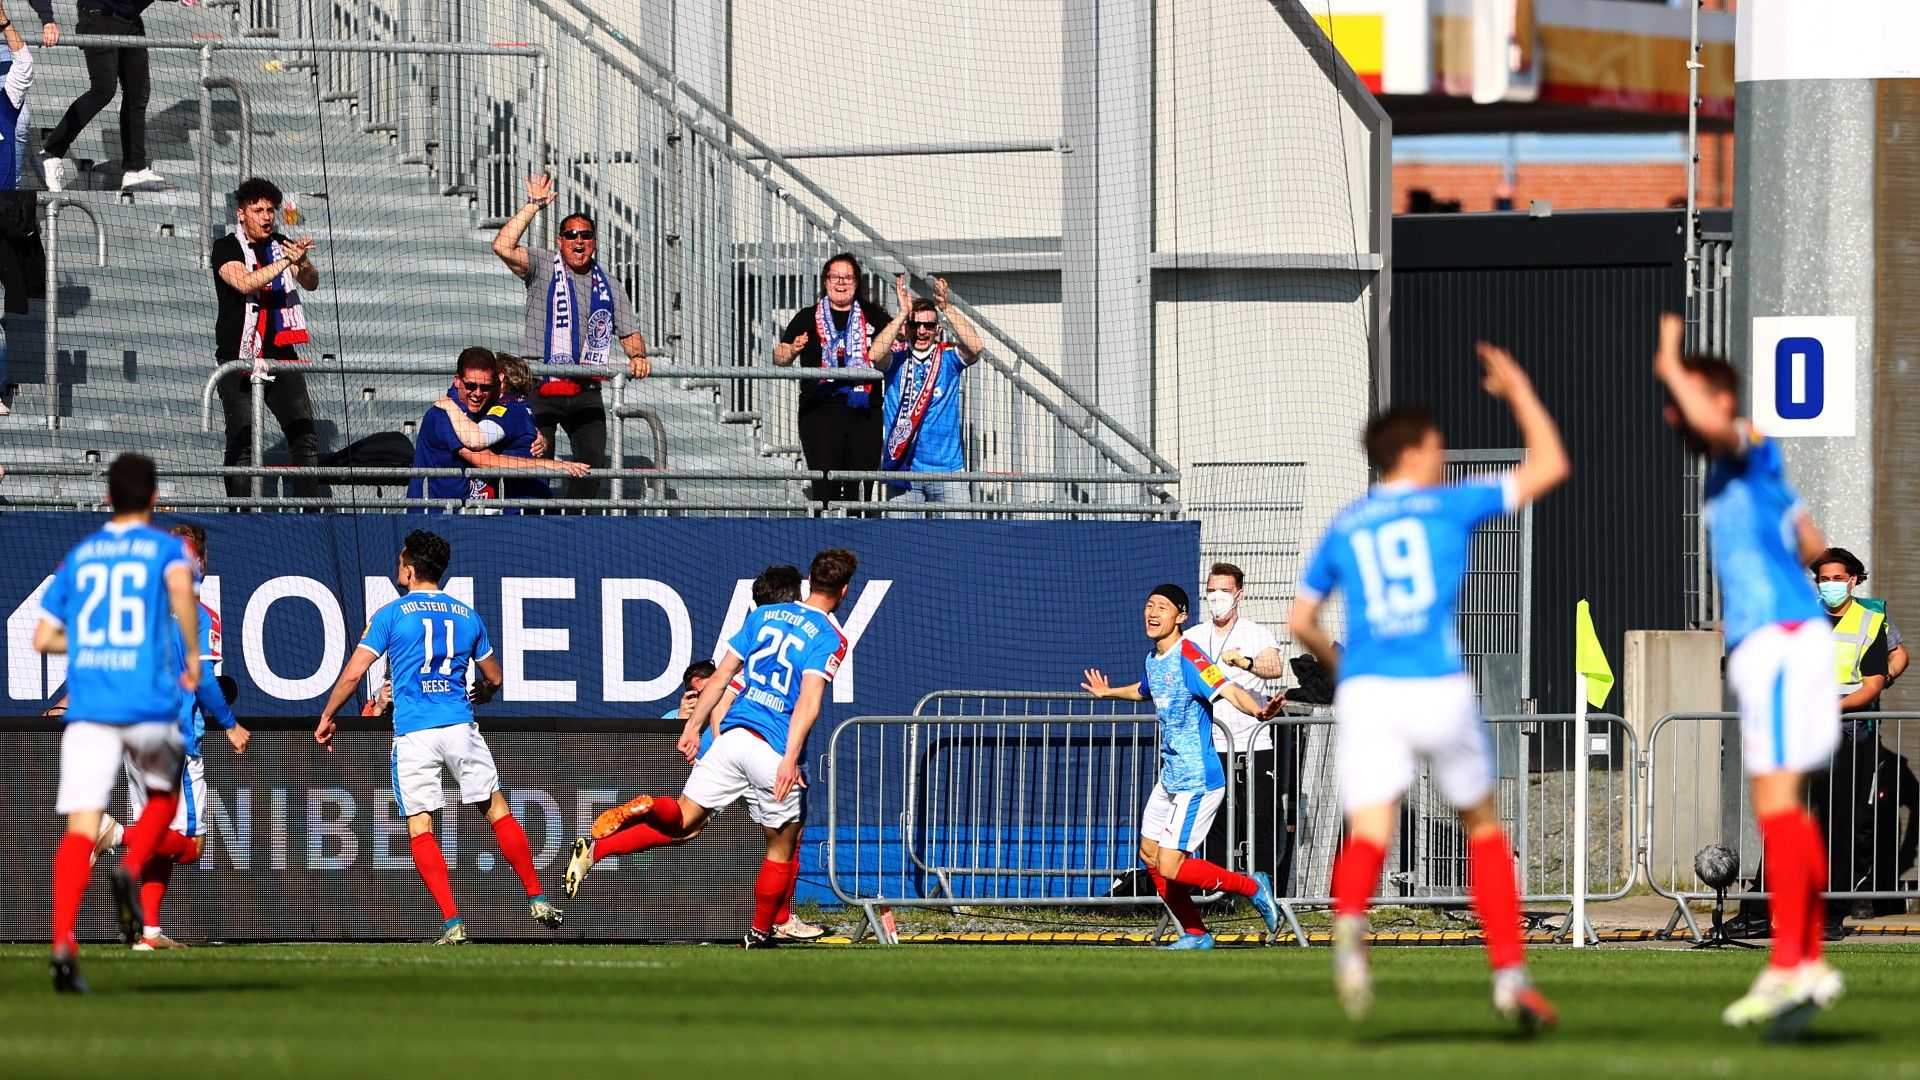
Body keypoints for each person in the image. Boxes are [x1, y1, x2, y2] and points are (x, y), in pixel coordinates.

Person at [1291, 342, 1567, 1029]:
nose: (1442, 454)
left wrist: (1341, 667)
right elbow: (1550, 465)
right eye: (1437, 444)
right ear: (1413, 452)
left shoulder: (1348, 522)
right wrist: (1519, 391)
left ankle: (1350, 930)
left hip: (1368, 690)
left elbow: (1301, 621)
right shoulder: (1446, 505)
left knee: (1371, 828)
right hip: (1435, 682)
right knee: (1482, 825)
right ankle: (1509, 976)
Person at [1652, 312, 1845, 1032]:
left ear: (1720, 401)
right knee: (1782, 808)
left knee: (1779, 804)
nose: (1672, 413)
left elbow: (1717, 425)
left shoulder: (1746, 440)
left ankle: (1798, 960)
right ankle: (1801, 962)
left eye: (1683, 399)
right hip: (1787, 638)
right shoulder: (1745, 472)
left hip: (1781, 639)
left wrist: (1669, 361)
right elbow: (1813, 541)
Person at [561, 548, 857, 948]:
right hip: (771, 749)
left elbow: (720, 678)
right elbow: (808, 701)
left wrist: (693, 727)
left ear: (809, 580)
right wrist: (790, 758)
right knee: (781, 848)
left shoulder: (765, 615)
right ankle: (760, 931)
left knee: (683, 822)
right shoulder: (831, 637)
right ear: (844, 590)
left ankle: (649, 807)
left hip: (731, 739)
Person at [313, 530, 563, 943]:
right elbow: (494, 678)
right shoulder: (467, 615)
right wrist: (484, 692)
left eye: (401, 562)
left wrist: (327, 715)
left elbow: (355, 673)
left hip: (415, 733)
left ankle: (452, 923)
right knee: (497, 811)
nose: (398, 568)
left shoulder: (391, 614)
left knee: (421, 826)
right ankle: (536, 896)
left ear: (410, 570)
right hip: (460, 726)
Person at [32, 453, 201, 992]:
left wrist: (90, 641)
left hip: (90, 708)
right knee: (164, 796)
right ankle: (129, 868)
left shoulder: (82, 555)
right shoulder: (165, 549)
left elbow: (43, 638)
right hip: (145, 701)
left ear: (107, 497)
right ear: (155, 498)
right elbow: (182, 593)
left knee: (81, 829)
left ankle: (64, 945)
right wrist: (191, 654)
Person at [1081, 584, 1280, 948]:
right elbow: (1144, 690)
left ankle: (1252, 886)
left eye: (1162, 607)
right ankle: (1196, 933)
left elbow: (1228, 688)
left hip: (1198, 780)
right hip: (1171, 778)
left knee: (1170, 865)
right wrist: (1108, 692)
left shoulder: (1190, 655)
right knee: (1149, 855)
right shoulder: (1153, 659)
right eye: (1149, 605)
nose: (1152, 613)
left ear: (1181, 616)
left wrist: (1257, 710)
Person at [118, 523, 251, 950]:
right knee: (192, 845)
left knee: (156, 836)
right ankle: (113, 835)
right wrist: (230, 724)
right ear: (199, 563)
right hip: (175, 739)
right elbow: (205, 680)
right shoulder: (199, 613)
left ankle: (149, 933)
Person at [491, 174, 650, 505]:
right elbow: (502, 246)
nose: (579, 240)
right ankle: (538, 524)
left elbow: (630, 333)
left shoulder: (609, 284)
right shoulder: (542, 265)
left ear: (594, 241)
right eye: (571, 235)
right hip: (538, 384)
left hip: (585, 388)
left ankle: (574, 525)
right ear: (560, 240)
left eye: (585, 235)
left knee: (592, 467)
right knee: (536, 462)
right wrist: (533, 205)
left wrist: (637, 356)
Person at [212, 177, 320, 499]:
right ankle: (241, 515)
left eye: (270, 210)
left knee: (304, 437)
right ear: (241, 213)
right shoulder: (226, 247)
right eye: (258, 210)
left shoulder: (281, 244)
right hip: (238, 358)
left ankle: (309, 514)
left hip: (282, 355)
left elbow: (311, 282)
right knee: (242, 442)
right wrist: (287, 261)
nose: (266, 216)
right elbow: (245, 283)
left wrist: (303, 262)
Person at [1181, 562, 1287, 883]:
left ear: (1239, 594)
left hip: (1252, 743)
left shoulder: (1255, 632)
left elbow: (1274, 667)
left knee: (1260, 817)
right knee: (1215, 823)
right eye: (1211, 591)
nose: (1217, 597)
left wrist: (1246, 663)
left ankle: (1263, 888)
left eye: (1224, 591)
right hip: (1210, 744)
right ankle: (1219, 891)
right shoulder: (1193, 636)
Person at [1807, 546, 1890, 914]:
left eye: (1837, 578)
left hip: (1848, 734)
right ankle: (1765, 907)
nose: (1830, 585)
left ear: (1853, 580)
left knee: (1841, 822)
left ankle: (1836, 906)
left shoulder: (1871, 621)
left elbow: (1875, 681)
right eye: (1823, 579)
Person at [773, 254, 890, 506]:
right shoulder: (807, 317)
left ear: (856, 282)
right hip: (819, 413)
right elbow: (779, 357)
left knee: (860, 489)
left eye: (847, 277)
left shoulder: (874, 317)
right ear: (825, 281)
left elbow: (889, 355)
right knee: (825, 488)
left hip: (864, 412)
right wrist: (793, 348)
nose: (841, 282)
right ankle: (825, 528)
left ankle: (857, 529)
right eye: (835, 277)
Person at [406, 347, 583, 512]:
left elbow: (515, 424)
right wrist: (552, 465)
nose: (477, 393)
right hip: (435, 513)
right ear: (457, 380)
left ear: (497, 381)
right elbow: (485, 461)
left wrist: (541, 439)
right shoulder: (445, 415)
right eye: (471, 386)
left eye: (485, 387)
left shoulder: (490, 408)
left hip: (470, 514)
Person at [869, 274, 983, 508]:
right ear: (907, 328)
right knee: (900, 533)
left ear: (937, 329)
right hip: (904, 469)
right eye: (915, 325)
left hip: (948, 471)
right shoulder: (896, 360)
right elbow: (874, 354)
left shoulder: (949, 358)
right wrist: (902, 314)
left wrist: (946, 307)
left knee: (960, 532)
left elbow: (976, 347)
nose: (921, 331)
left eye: (929, 325)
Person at [36, 0, 169, 192]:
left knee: (137, 94)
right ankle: (51, 152)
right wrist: (47, 20)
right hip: (99, 18)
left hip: (131, 21)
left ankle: (135, 168)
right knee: (103, 90)